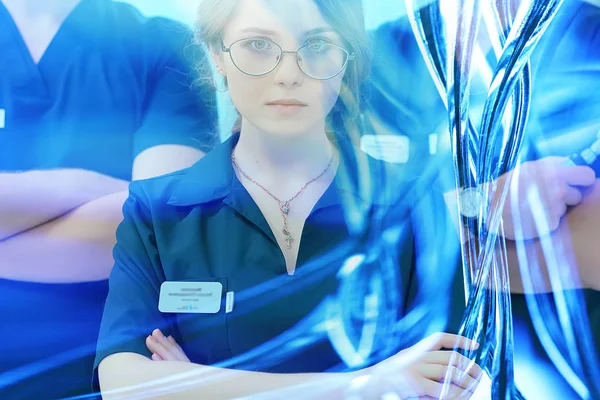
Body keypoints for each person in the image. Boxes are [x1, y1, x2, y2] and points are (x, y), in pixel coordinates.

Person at [94, 0, 486, 398]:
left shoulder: (409, 201)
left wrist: (193, 384)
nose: (288, 75)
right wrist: (368, 383)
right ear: (218, 57)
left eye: (316, 47)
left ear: (346, 61)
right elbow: (123, 383)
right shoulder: (156, 210)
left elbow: (447, 382)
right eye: (258, 46)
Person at [365, 0, 600, 398]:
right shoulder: (381, 58)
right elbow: (350, 224)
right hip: (419, 368)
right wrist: (480, 205)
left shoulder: (590, 40)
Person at [0, 0, 216, 398]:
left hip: (111, 371)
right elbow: (146, 205)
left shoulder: (161, 45)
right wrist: (82, 189)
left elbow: (160, 225)